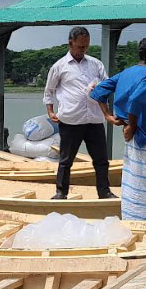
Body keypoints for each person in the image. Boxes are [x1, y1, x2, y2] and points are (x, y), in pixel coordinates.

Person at [90, 37, 146, 223]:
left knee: (134, 180)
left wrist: (108, 116)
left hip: (132, 138)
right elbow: (136, 101)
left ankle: (133, 218)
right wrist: (132, 125)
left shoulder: (127, 72)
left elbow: (98, 91)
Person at [43, 27, 115, 200]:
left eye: (86, 46)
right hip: (71, 119)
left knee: (101, 159)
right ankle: (61, 192)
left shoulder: (96, 64)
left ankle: (104, 192)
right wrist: (50, 111)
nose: (83, 49)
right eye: (80, 46)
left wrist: (99, 88)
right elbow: (49, 90)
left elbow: (107, 84)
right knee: (66, 160)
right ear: (71, 43)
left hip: (94, 119)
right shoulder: (59, 66)